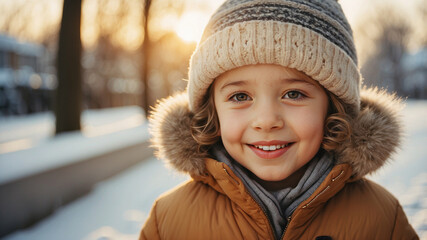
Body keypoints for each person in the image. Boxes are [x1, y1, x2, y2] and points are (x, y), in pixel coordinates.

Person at [139, 0, 419, 239]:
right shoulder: (168, 222)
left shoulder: (382, 218)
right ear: (212, 111)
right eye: (240, 97)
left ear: (333, 108)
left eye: (293, 94)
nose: (266, 120)